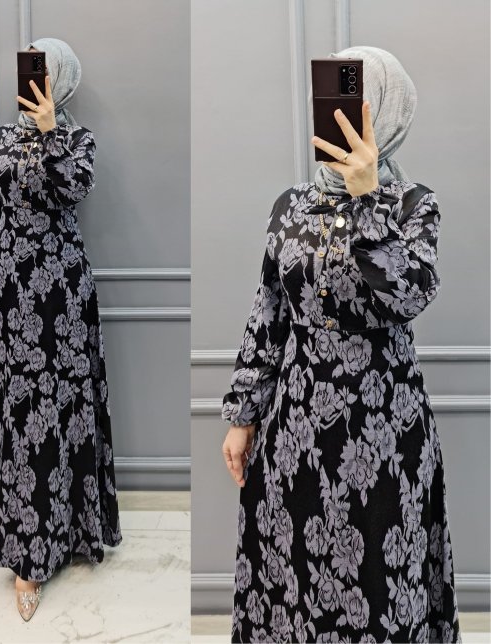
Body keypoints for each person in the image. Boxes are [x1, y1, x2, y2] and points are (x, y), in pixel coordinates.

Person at [221, 45, 462, 643]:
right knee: (295, 575)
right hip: (296, 429)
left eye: (359, 102)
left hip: (384, 434)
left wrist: (368, 199)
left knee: (379, 581)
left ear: (387, 111)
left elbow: (409, 295)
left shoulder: (413, 206)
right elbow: (268, 311)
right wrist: (243, 416)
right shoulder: (290, 207)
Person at [0, 37, 122, 621]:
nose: (33, 82)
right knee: (14, 406)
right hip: (5, 289)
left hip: (59, 294)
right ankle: (17, 524)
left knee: (51, 409)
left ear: (63, 80)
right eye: (29, 70)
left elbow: (71, 189)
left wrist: (51, 131)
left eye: (44, 72)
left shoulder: (78, 142)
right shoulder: (1, 139)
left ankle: (47, 544)